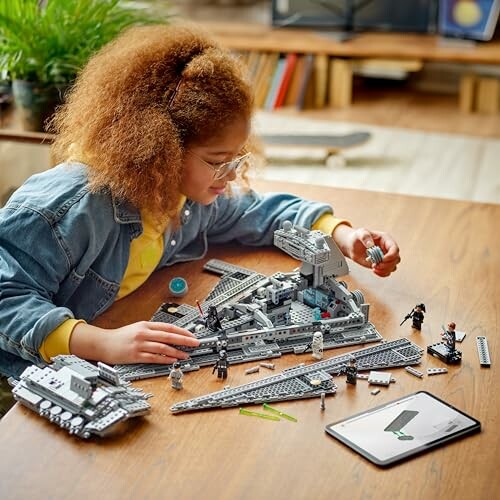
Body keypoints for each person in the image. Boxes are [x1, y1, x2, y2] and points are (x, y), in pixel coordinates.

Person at [0, 24, 400, 413]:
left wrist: (341, 234)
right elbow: (6, 298)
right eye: (217, 162)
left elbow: (257, 211)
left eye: (235, 158)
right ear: (161, 149)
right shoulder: (71, 208)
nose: (230, 176)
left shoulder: (184, 198)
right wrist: (101, 343)